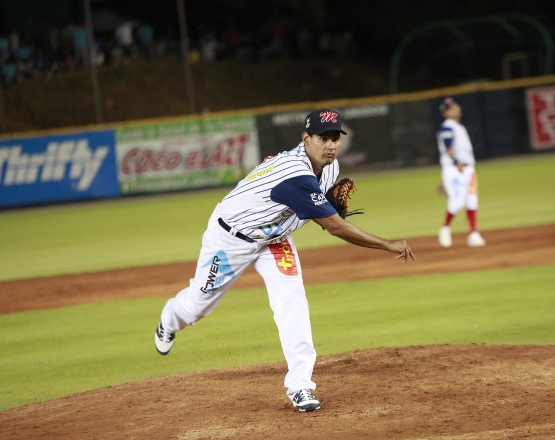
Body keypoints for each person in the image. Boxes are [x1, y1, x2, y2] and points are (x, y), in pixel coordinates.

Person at [154, 108, 416, 413]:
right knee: (197, 305)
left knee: (292, 299)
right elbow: (333, 226)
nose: (330, 145)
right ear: (306, 139)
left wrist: (329, 206)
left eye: (335, 138)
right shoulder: (293, 172)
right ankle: (169, 321)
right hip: (231, 238)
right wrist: (386, 244)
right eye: (323, 138)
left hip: (275, 239)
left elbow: (321, 208)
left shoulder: (328, 168)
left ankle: (301, 386)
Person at [435, 97, 485, 248]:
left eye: (455, 106)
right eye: (451, 108)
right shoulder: (448, 127)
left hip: (468, 168)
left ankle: (473, 233)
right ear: (445, 113)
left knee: (471, 200)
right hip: (455, 168)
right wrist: (457, 163)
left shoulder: (458, 126)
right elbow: (448, 148)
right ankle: (445, 228)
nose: (456, 109)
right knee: (457, 201)